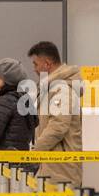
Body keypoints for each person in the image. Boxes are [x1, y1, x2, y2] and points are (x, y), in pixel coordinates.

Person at [28, 41, 83, 188]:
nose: (34, 69)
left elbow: (58, 126)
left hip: (60, 172)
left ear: (47, 63)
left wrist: (35, 151)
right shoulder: (54, 88)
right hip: (53, 168)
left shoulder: (62, 90)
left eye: (35, 64)